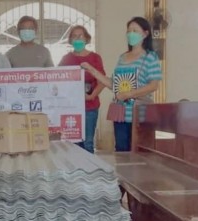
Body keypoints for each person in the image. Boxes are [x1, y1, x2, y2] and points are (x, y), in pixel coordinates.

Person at [81, 17, 162, 151]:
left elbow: (154, 85)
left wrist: (129, 94)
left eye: (135, 30)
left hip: (140, 113)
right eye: (129, 31)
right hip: (120, 113)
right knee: (121, 150)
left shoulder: (150, 57)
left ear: (145, 33)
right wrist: (91, 69)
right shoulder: (122, 57)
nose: (131, 34)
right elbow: (114, 84)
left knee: (140, 151)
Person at [58, 25, 105, 154]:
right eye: (74, 36)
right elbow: (58, 80)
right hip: (71, 108)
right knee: (73, 144)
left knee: (88, 142)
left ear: (86, 38)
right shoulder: (66, 59)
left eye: (80, 36)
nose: (77, 38)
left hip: (90, 106)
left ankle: (90, 172)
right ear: (70, 40)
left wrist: (92, 96)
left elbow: (102, 80)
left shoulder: (95, 58)